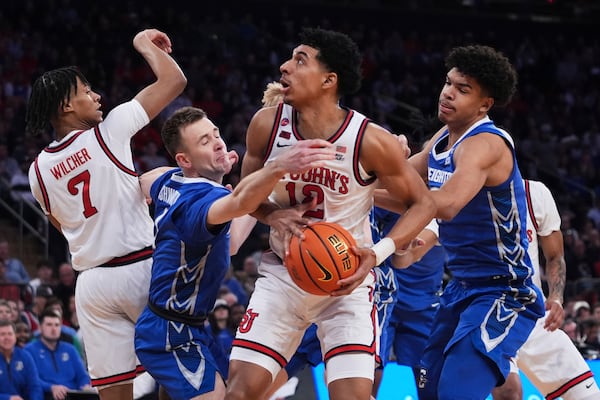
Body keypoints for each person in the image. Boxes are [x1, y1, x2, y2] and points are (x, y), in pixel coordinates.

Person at [225, 27, 435, 400]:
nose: (285, 67)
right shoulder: (266, 125)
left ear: (329, 80)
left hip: (347, 280)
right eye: (290, 57)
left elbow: (424, 204)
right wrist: (271, 215)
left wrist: (378, 254)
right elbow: (244, 198)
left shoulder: (369, 140)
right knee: (239, 393)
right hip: (284, 275)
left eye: (300, 59)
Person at [26, 28, 187, 400]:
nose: (97, 96)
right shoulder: (108, 132)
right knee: (180, 375)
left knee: (114, 394)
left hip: (92, 285)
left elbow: (63, 225)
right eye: (87, 91)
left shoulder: (37, 171)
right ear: (67, 105)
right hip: (141, 270)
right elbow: (174, 80)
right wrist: (143, 44)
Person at [134, 106, 335, 400]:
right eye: (204, 141)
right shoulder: (201, 199)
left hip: (184, 325)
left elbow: (146, 181)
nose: (218, 142)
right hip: (170, 333)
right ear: (184, 159)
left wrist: (251, 198)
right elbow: (241, 202)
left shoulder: (173, 180)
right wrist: (277, 167)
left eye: (215, 133)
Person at [400, 45, 546, 399]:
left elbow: (445, 205)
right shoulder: (440, 140)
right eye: (448, 83)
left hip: (505, 291)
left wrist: (385, 242)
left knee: (456, 392)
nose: (448, 92)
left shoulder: (485, 144)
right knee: (430, 390)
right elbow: (403, 187)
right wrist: (353, 187)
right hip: (461, 287)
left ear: (485, 104)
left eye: (463, 89)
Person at [491, 180, 600, 400]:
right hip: (490, 315)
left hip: (533, 315)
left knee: (588, 395)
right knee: (509, 392)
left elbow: (555, 256)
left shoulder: (534, 193)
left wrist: (557, 297)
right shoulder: (466, 193)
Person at [25, 309, 93, 400]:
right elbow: (30, 379)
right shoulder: (29, 350)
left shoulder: (70, 349)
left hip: (73, 393)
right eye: (49, 325)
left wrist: (84, 386)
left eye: (57, 325)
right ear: (40, 328)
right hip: (48, 394)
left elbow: (82, 375)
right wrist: (51, 387)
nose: (53, 329)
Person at [0, 319, 43, 400]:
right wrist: (8, 398)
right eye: (2, 334)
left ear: (15, 337)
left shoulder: (25, 356)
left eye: (10, 334)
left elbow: (35, 387)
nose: (7, 338)